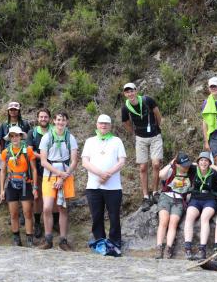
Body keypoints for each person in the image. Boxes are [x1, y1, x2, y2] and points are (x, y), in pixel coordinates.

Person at [82, 114, 126, 255]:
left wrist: (108, 174)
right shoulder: (90, 141)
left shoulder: (116, 141)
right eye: (101, 123)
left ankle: (115, 242)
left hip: (113, 186)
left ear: (110, 126)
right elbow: (85, 162)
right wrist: (100, 173)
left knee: (114, 216)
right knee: (96, 215)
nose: (103, 126)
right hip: (94, 186)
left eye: (106, 124)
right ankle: (100, 240)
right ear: (96, 124)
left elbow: (121, 161)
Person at [38, 112, 78, 251]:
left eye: (63, 120)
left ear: (67, 122)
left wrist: (62, 177)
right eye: (58, 120)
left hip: (65, 175)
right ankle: (48, 239)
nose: (61, 122)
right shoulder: (47, 137)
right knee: (47, 207)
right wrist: (58, 173)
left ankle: (63, 240)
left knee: (63, 208)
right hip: (50, 174)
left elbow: (74, 161)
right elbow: (43, 161)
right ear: (54, 121)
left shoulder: (70, 138)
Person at [121, 82, 163, 211]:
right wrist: (134, 133)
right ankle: (145, 196)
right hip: (140, 138)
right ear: (125, 94)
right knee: (143, 167)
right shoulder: (125, 107)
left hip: (155, 136)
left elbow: (158, 114)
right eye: (127, 92)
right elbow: (126, 122)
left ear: (136, 91)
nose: (130, 94)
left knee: (156, 164)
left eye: (132, 91)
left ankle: (155, 192)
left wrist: (157, 127)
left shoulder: (147, 100)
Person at [0, 126, 38, 247]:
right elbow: (3, 171)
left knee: (27, 212)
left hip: (26, 183)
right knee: (14, 213)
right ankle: (16, 238)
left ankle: (29, 238)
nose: (15, 138)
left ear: (21, 136)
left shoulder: (28, 151)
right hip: (11, 184)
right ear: (9, 138)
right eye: (12, 136)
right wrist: (1, 190)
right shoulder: (5, 152)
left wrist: (35, 187)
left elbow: (34, 170)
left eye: (17, 135)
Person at [155, 152, 196, 259]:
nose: (186, 167)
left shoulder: (192, 169)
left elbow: (201, 165)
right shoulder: (172, 169)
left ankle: (168, 248)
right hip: (166, 197)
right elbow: (160, 175)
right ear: (177, 164)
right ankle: (159, 247)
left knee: (173, 223)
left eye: (187, 164)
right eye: (184, 165)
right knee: (164, 220)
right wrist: (171, 163)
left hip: (179, 200)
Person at [183, 152, 217, 260]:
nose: (203, 162)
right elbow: (181, 163)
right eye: (201, 160)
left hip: (210, 199)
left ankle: (202, 249)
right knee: (189, 217)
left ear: (209, 163)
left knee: (204, 218)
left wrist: (213, 166)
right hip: (195, 199)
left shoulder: (214, 173)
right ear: (198, 162)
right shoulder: (193, 170)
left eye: (206, 160)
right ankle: (187, 248)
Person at [27, 108, 55, 239]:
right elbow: (30, 151)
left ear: (49, 118)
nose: (43, 119)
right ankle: (37, 223)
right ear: (37, 118)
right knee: (37, 198)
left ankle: (54, 222)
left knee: (53, 197)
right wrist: (44, 157)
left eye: (45, 117)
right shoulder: (32, 133)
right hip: (38, 170)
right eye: (41, 117)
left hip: (53, 169)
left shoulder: (54, 131)